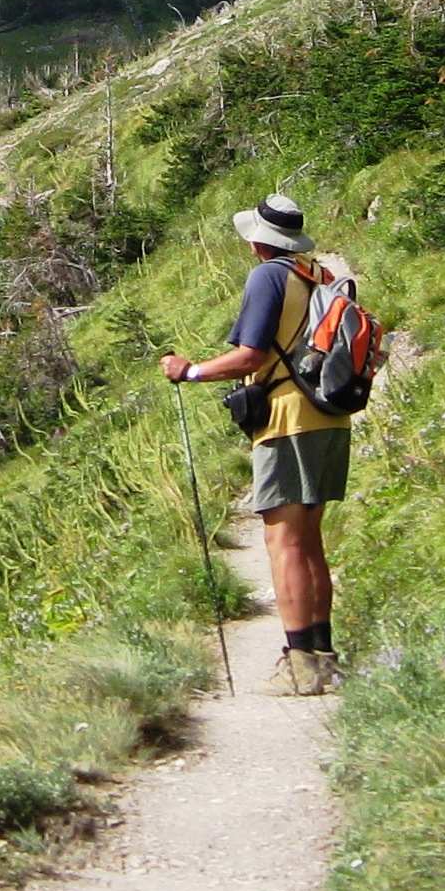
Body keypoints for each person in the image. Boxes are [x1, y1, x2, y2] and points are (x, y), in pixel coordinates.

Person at [160, 191, 350, 695]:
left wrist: (190, 371)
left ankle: (299, 665)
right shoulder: (319, 276)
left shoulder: (268, 277)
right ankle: (323, 656)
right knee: (309, 539)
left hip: (287, 420)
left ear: (257, 242)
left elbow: (249, 357)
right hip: (329, 418)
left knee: (282, 541)